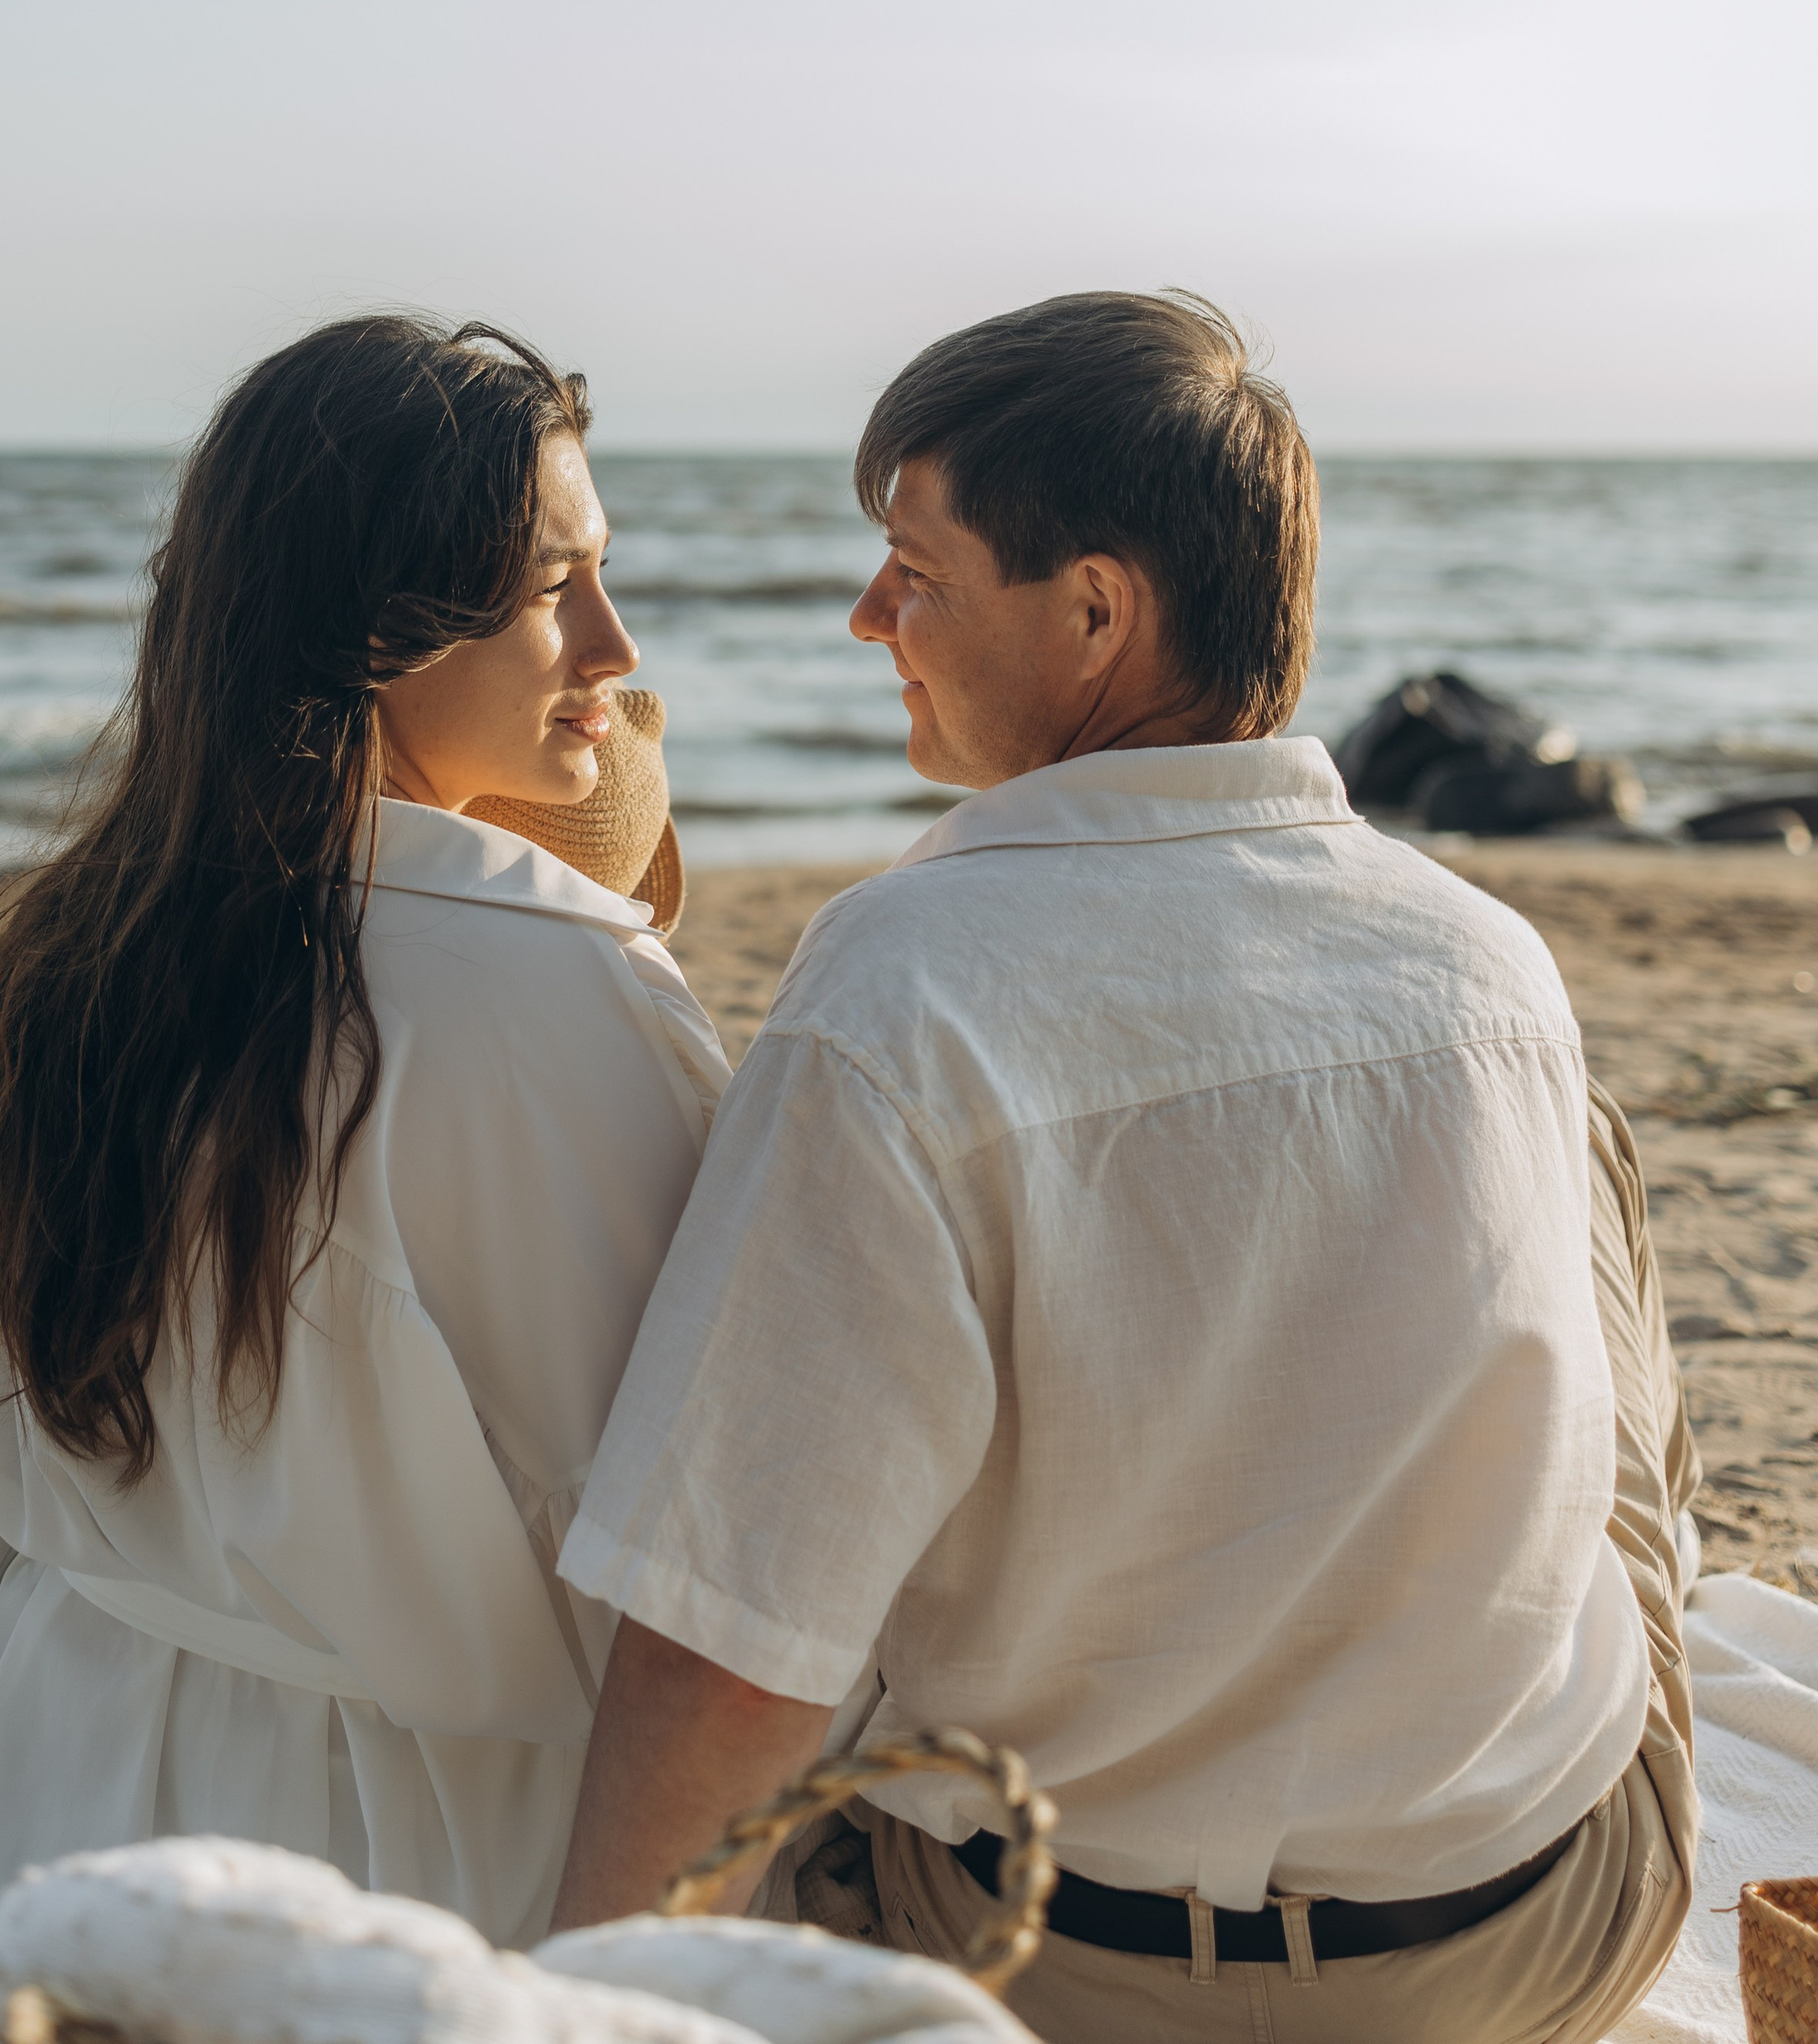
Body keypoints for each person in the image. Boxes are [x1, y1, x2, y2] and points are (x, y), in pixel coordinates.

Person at [550, 292, 1697, 2044]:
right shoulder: (1482, 958)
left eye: (912, 572)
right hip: (1530, 1930)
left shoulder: (902, 987)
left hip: (1070, 1971)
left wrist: (569, 2004)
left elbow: (726, 1658)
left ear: (1094, 609)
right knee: (1583, 1181)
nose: (868, 619)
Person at [0, 316, 728, 2034]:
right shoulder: (561, 996)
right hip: (412, 1867)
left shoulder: (72, 960)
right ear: (379, 626)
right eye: (558, 588)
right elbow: (683, 1537)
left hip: (56, 1815)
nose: (615, 649)